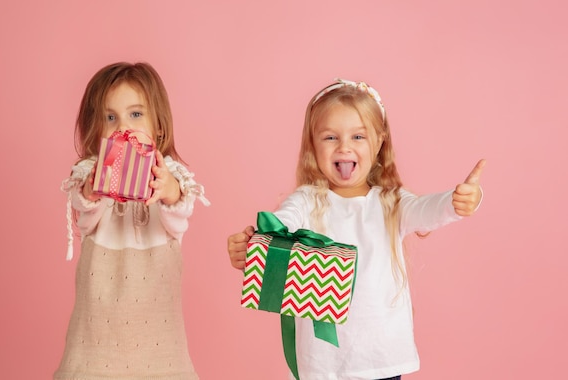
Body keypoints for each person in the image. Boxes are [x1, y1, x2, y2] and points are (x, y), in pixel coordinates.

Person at [227, 78, 484, 380]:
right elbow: (281, 224)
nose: (344, 146)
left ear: (379, 141)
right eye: (330, 138)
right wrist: (255, 243)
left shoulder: (392, 201)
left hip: (382, 358)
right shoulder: (307, 201)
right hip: (323, 364)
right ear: (313, 145)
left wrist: (458, 201)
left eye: (358, 136)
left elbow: (426, 210)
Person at [55, 62, 209, 380]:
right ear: (96, 130)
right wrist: (98, 183)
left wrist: (168, 189)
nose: (122, 126)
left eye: (135, 115)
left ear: (159, 128)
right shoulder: (89, 173)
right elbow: (83, 205)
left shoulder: (170, 176)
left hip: (160, 350)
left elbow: (180, 210)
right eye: (110, 118)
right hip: (95, 347)